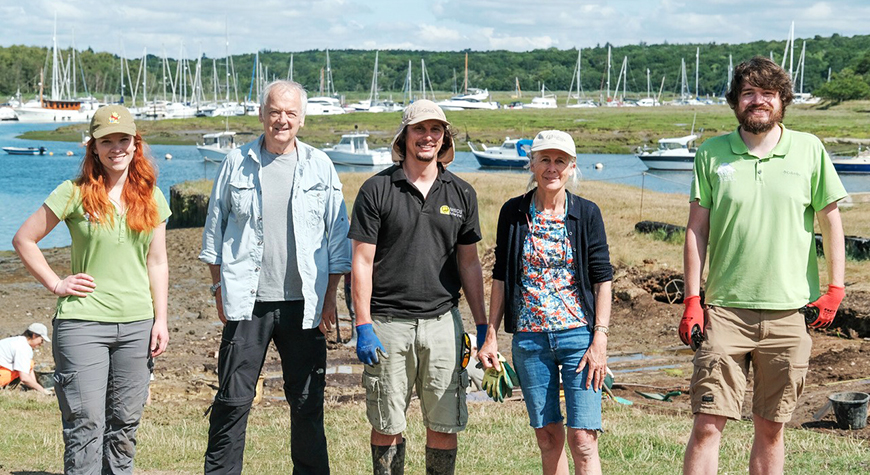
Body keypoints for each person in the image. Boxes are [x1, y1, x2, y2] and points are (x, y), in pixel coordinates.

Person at [680, 56, 846, 475]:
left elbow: (831, 221)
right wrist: (692, 299)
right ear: (736, 102)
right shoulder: (712, 153)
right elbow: (696, 230)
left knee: (771, 428)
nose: (758, 101)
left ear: (782, 101)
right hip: (724, 311)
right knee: (707, 425)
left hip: (790, 312)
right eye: (749, 93)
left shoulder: (809, 149)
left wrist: (835, 289)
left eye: (767, 94)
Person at [200, 79, 351, 475]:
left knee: (306, 403)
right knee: (233, 399)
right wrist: (218, 289)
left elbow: (338, 240)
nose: (281, 120)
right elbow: (214, 233)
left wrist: (330, 298)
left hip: (305, 305)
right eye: (274, 111)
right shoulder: (236, 162)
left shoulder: (320, 165)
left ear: (301, 118)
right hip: (247, 302)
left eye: (290, 113)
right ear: (262, 114)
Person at [12, 104, 170, 474]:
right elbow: (24, 240)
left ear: (136, 144)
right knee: (85, 425)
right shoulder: (73, 192)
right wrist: (56, 282)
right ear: (94, 147)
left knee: (125, 426)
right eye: (107, 141)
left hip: (137, 326)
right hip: (82, 324)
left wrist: (161, 319)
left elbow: (157, 262)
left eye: (123, 140)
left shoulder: (151, 196)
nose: (117, 148)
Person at [349, 99, 487, 475]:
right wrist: (362, 325)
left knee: (445, 422)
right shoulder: (377, 189)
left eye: (435, 130)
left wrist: (482, 326)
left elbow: (469, 262)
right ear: (405, 136)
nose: (428, 137)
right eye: (419, 130)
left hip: (443, 323)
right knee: (387, 422)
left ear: (444, 138)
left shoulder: (462, 194)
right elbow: (360, 262)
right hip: (388, 324)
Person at [478, 130, 613, 475]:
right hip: (530, 340)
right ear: (532, 163)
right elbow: (501, 276)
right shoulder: (513, 212)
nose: (552, 168)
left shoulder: (587, 213)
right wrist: (490, 335)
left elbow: (602, 278)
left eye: (560, 161)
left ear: (571, 167)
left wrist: (600, 338)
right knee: (548, 436)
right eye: (545, 160)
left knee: (583, 437)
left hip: (578, 339)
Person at [0, 323, 52, 394]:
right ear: (34, 336)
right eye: (41, 340)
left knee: (29, 363)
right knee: (20, 371)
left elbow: (29, 368)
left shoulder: (18, 341)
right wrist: (43, 391)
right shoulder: (23, 347)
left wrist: (36, 388)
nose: (41, 343)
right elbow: (24, 377)